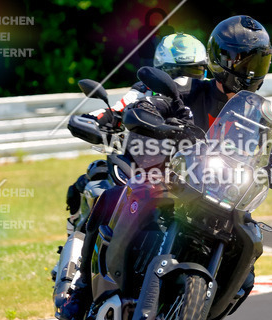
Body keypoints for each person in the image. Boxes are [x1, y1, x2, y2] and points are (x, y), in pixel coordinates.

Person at [58, 15, 272, 320]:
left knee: (248, 260)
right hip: (172, 183)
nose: (250, 71)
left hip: (225, 198)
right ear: (220, 59)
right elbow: (151, 105)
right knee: (112, 196)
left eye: (258, 63)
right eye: (243, 61)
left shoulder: (265, 115)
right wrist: (149, 117)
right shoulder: (186, 89)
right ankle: (81, 290)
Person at [63, 32, 208, 231]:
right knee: (96, 177)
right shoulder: (143, 91)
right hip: (142, 169)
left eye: (194, 70)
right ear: (159, 72)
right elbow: (117, 110)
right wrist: (97, 120)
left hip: (195, 175)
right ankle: (80, 237)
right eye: (175, 73)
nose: (184, 80)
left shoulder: (211, 95)